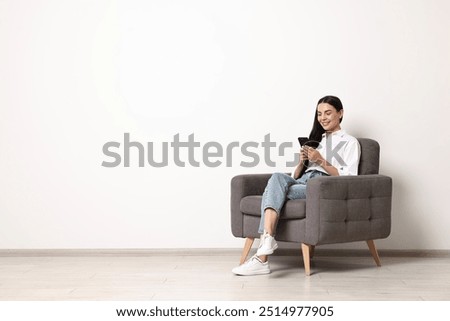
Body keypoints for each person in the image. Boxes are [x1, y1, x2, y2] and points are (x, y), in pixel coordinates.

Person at [232, 95, 361, 276]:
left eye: (328, 113)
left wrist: (321, 161)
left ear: (340, 113)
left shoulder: (350, 142)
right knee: (277, 177)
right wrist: (302, 162)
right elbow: (295, 176)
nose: (322, 118)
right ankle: (267, 241)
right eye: (319, 114)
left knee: (274, 191)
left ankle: (262, 256)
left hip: (321, 186)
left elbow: (349, 176)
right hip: (303, 180)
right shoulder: (318, 139)